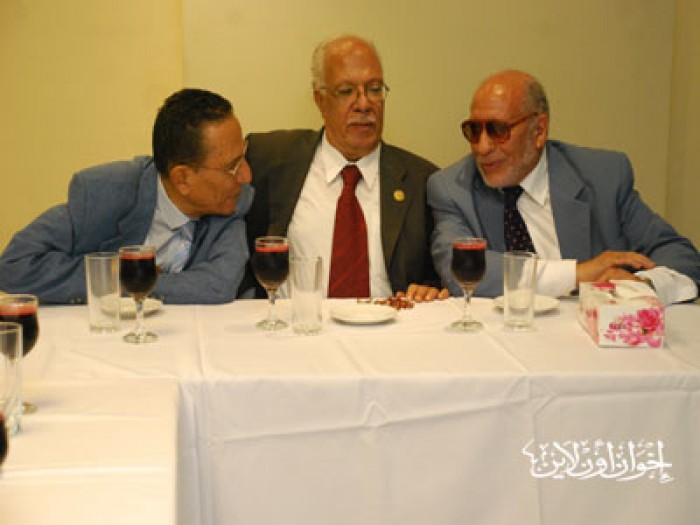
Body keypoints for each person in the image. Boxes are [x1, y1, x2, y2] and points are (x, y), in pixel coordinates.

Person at [428, 70, 699, 305]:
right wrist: (579, 275)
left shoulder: (602, 177)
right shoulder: (453, 188)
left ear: (539, 131)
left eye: (498, 130)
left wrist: (640, 287)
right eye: (473, 131)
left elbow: (681, 256)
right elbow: (460, 270)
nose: (482, 147)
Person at [0, 88, 254, 304]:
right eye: (232, 167)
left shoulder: (233, 199)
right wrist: (123, 277)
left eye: (243, 156)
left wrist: (143, 283)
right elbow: (14, 265)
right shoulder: (105, 192)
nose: (246, 175)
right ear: (183, 178)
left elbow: (218, 285)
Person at [244, 34, 447, 301]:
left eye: (374, 89)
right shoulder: (269, 159)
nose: (364, 104)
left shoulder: (422, 180)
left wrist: (429, 289)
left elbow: (436, 277)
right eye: (346, 91)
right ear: (320, 100)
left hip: (387, 322)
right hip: (294, 321)